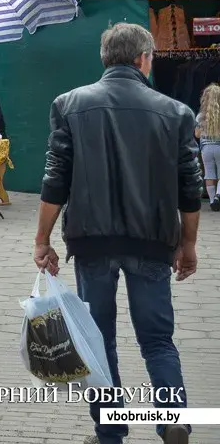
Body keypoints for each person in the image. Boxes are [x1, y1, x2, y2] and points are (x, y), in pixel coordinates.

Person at [35, 23, 200, 444]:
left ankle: (109, 432)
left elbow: (56, 180)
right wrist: (189, 244)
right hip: (152, 241)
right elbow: (189, 187)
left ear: (105, 58)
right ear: (144, 59)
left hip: (93, 242)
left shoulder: (69, 105)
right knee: (158, 339)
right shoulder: (176, 112)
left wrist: (42, 240)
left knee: (99, 339)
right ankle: (173, 417)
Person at [196, 83, 220, 212]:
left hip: (206, 149)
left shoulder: (200, 116)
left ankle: (211, 201)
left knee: (209, 174)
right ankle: (218, 194)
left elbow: (197, 134)